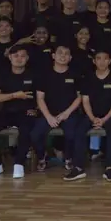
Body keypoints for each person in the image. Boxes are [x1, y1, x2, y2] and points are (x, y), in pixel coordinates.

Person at [0, 45, 38, 179]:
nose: (19, 59)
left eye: (22, 56)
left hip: (27, 112)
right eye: (16, 56)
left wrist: (37, 110)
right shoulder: (3, 75)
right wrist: (14, 95)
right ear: (10, 57)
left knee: (26, 130)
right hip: (7, 112)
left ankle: (19, 163)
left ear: (27, 58)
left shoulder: (34, 75)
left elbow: (42, 97)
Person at [69, 48, 111, 182]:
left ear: (109, 61)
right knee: (79, 131)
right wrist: (93, 118)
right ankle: (78, 167)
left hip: (109, 115)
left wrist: (104, 119)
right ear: (94, 61)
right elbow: (85, 101)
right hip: (91, 114)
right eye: (98, 58)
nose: (102, 62)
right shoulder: (88, 78)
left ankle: (109, 168)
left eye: (105, 59)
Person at [30, 44, 82, 172]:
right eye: (60, 53)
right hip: (48, 113)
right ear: (53, 56)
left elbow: (79, 97)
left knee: (71, 134)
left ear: (70, 58)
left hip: (69, 113)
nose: (63, 56)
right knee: (35, 134)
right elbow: (40, 98)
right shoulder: (44, 74)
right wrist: (48, 117)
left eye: (66, 54)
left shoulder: (75, 74)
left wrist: (67, 113)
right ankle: (42, 157)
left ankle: (68, 158)